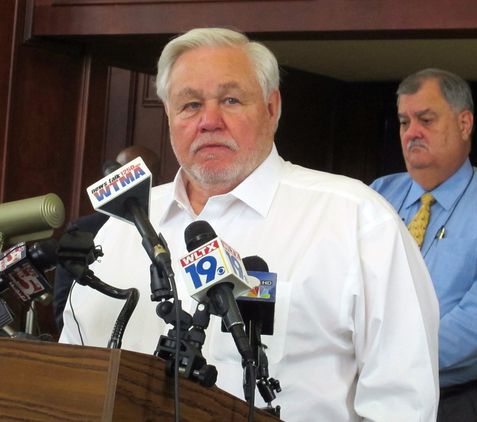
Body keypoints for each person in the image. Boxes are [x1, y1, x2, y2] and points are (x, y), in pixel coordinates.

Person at [60, 28, 440, 421]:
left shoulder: (357, 219)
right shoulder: (123, 224)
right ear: (170, 116)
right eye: (190, 104)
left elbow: (402, 403)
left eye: (230, 99)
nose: (209, 121)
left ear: (272, 108)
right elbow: (71, 369)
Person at [370, 68, 477, 421]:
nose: (412, 133)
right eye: (405, 122)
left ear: (464, 124)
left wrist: (392, 357)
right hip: (378, 395)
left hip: (467, 402)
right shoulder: (376, 195)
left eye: (426, 119)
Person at [52, 145, 160, 331]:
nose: (125, 184)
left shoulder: (169, 225)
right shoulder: (83, 230)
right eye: (119, 174)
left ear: (156, 182)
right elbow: (62, 310)